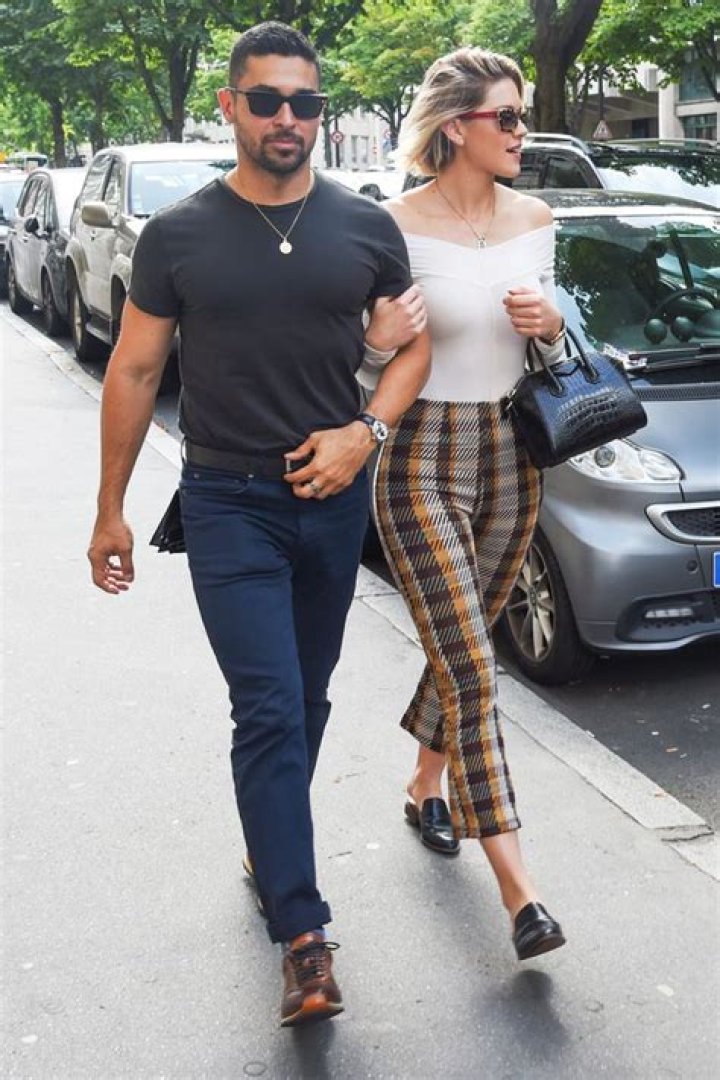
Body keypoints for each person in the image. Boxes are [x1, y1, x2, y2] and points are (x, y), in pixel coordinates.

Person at [87, 21, 429, 1027]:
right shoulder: (179, 235)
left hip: (333, 501)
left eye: (306, 102)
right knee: (270, 706)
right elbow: (134, 369)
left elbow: (413, 348)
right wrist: (108, 510)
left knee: (307, 697)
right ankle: (304, 937)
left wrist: (366, 431)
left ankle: (267, 839)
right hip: (227, 501)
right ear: (230, 106)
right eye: (269, 100)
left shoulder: (365, 226)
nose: (289, 118)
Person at [369, 46, 567, 962]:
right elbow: (364, 359)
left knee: (465, 641)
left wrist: (551, 325)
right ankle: (521, 894)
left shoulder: (535, 218)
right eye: (508, 118)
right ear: (457, 126)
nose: (523, 133)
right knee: (477, 669)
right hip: (419, 452)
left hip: (512, 450)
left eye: (523, 116)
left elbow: (552, 347)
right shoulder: (393, 227)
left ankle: (425, 783)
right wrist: (375, 341)